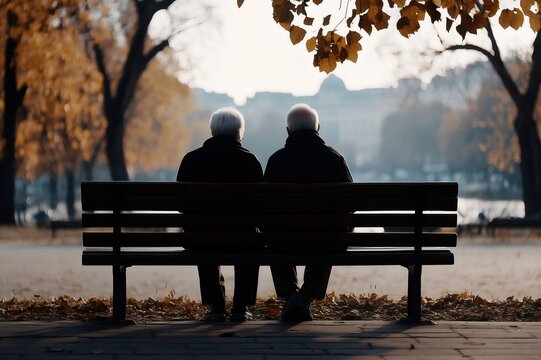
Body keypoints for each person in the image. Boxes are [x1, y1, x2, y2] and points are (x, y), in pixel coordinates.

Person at [264, 103, 353, 321]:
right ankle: (306, 295)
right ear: (318, 128)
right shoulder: (335, 159)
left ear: (288, 131)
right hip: (326, 240)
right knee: (331, 234)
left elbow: (263, 209)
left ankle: (292, 295)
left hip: (283, 241)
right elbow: (350, 205)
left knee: (273, 236)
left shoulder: (276, 160)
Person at [176, 107, 263, 322]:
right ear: (239, 132)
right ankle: (241, 307)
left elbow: (180, 204)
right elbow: (262, 207)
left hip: (201, 239)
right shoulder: (250, 161)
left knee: (202, 231)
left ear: (212, 131)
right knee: (251, 238)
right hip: (243, 239)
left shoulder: (191, 160)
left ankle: (216, 306)